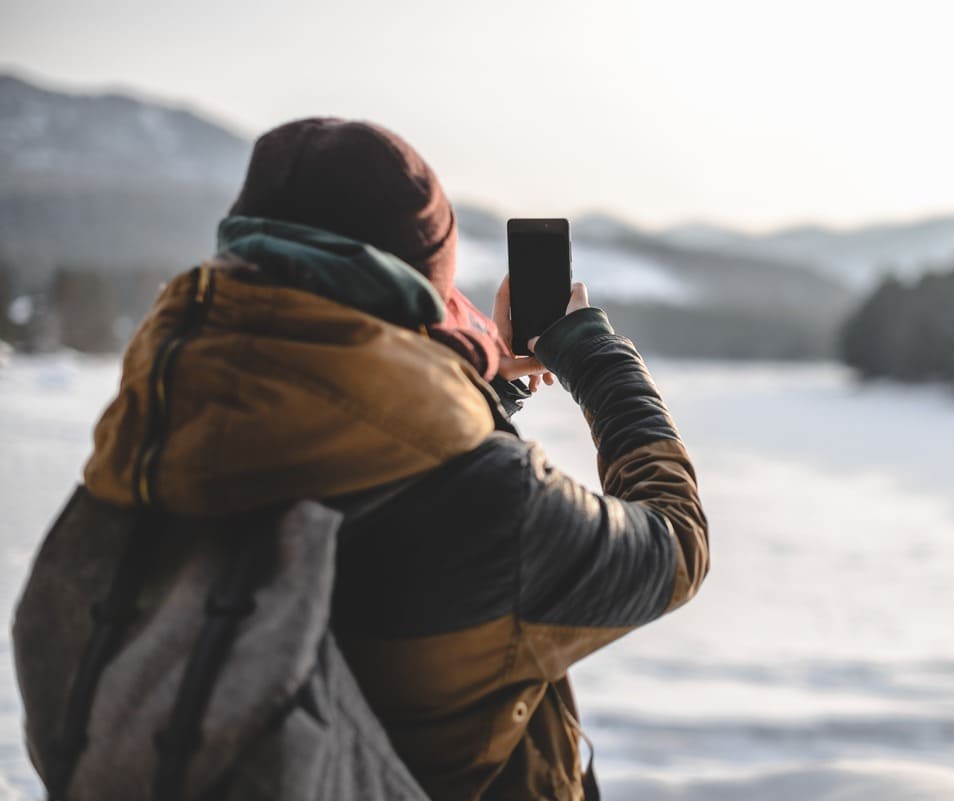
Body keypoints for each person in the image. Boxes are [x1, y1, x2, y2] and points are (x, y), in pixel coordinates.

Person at [80, 118, 709, 800]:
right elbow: (673, 542)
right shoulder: (492, 507)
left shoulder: (151, 437)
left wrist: (481, 387)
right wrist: (595, 355)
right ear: (420, 285)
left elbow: (345, 421)